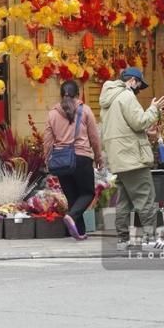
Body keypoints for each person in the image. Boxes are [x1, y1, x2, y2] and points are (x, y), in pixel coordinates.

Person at [99, 67, 164, 251]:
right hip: (132, 158)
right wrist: (153, 109)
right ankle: (150, 238)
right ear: (132, 81)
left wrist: (144, 132)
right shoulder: (126, 96)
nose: (138, 90)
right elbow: (139, 122)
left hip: (119, 158)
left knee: (124, 201)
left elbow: (124, 128)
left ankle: (122, 238)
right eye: (138, 85)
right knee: (145, 197)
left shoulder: (109, 99)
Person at [43, 80, 103, 240]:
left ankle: (80, 232)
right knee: (88, 193)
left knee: (73, 197)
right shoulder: (85, 110)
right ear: (78, 94)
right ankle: (71, 216)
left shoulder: (52, 114)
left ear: (61, 95)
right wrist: (98, 157)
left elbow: (47, 140)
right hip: (82, 158)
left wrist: (47, 159)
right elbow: (94, 138)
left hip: (62, 161)